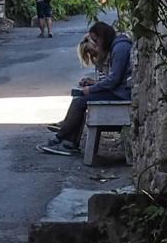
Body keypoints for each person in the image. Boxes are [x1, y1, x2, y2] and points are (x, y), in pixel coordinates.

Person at [41, 20, 133, 156]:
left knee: (80, 102)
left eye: (96, 40)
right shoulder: (117, 47)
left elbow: (113, 80)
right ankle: (69, 141)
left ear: (102, 38)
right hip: (119, 91)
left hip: (121, 94)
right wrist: (94, 85)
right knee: (80, 99)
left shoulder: (120, 48)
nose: (95, 44)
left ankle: (61, 137)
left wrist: (92, 89)